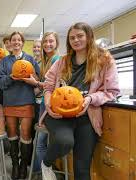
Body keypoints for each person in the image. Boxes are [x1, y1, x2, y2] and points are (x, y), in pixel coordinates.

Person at [39, 22, 120, 180]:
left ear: (89, 36)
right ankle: (46, 163)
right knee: (64, 141)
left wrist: (90, 98)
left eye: (80, 36)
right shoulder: (62, 61)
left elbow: (112, 91)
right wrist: (48, 103)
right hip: (58, 113)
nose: (76, 40)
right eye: (72, 38)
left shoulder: (105, 61)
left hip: (87, 115)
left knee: (82, 168)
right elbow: (48, 86)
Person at [0, 31, 40, 179]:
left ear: (22, 42)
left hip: (27, 101)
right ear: (10, 43)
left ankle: (23, 166)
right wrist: (11, 77)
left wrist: (30, 80)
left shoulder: (30, 60)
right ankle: (15, 165)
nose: (16, 42)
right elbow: (1, 83)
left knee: (26, 133)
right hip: (10, 103)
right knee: (12, 133)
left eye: (18, 40)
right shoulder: (4, 61)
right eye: (13, 40)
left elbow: (38, 80)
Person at [24, 32, 62, 177]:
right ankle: (38, 172)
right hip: (44, 104)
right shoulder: (47, 60)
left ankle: (40, 173)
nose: (47, 44)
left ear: (56, 43)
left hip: (50, 104)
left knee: (40, 142)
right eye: (45, 41)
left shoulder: (56, 59)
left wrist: (35, 83)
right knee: (40, 142)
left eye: (51, 41)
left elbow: (51, 86)